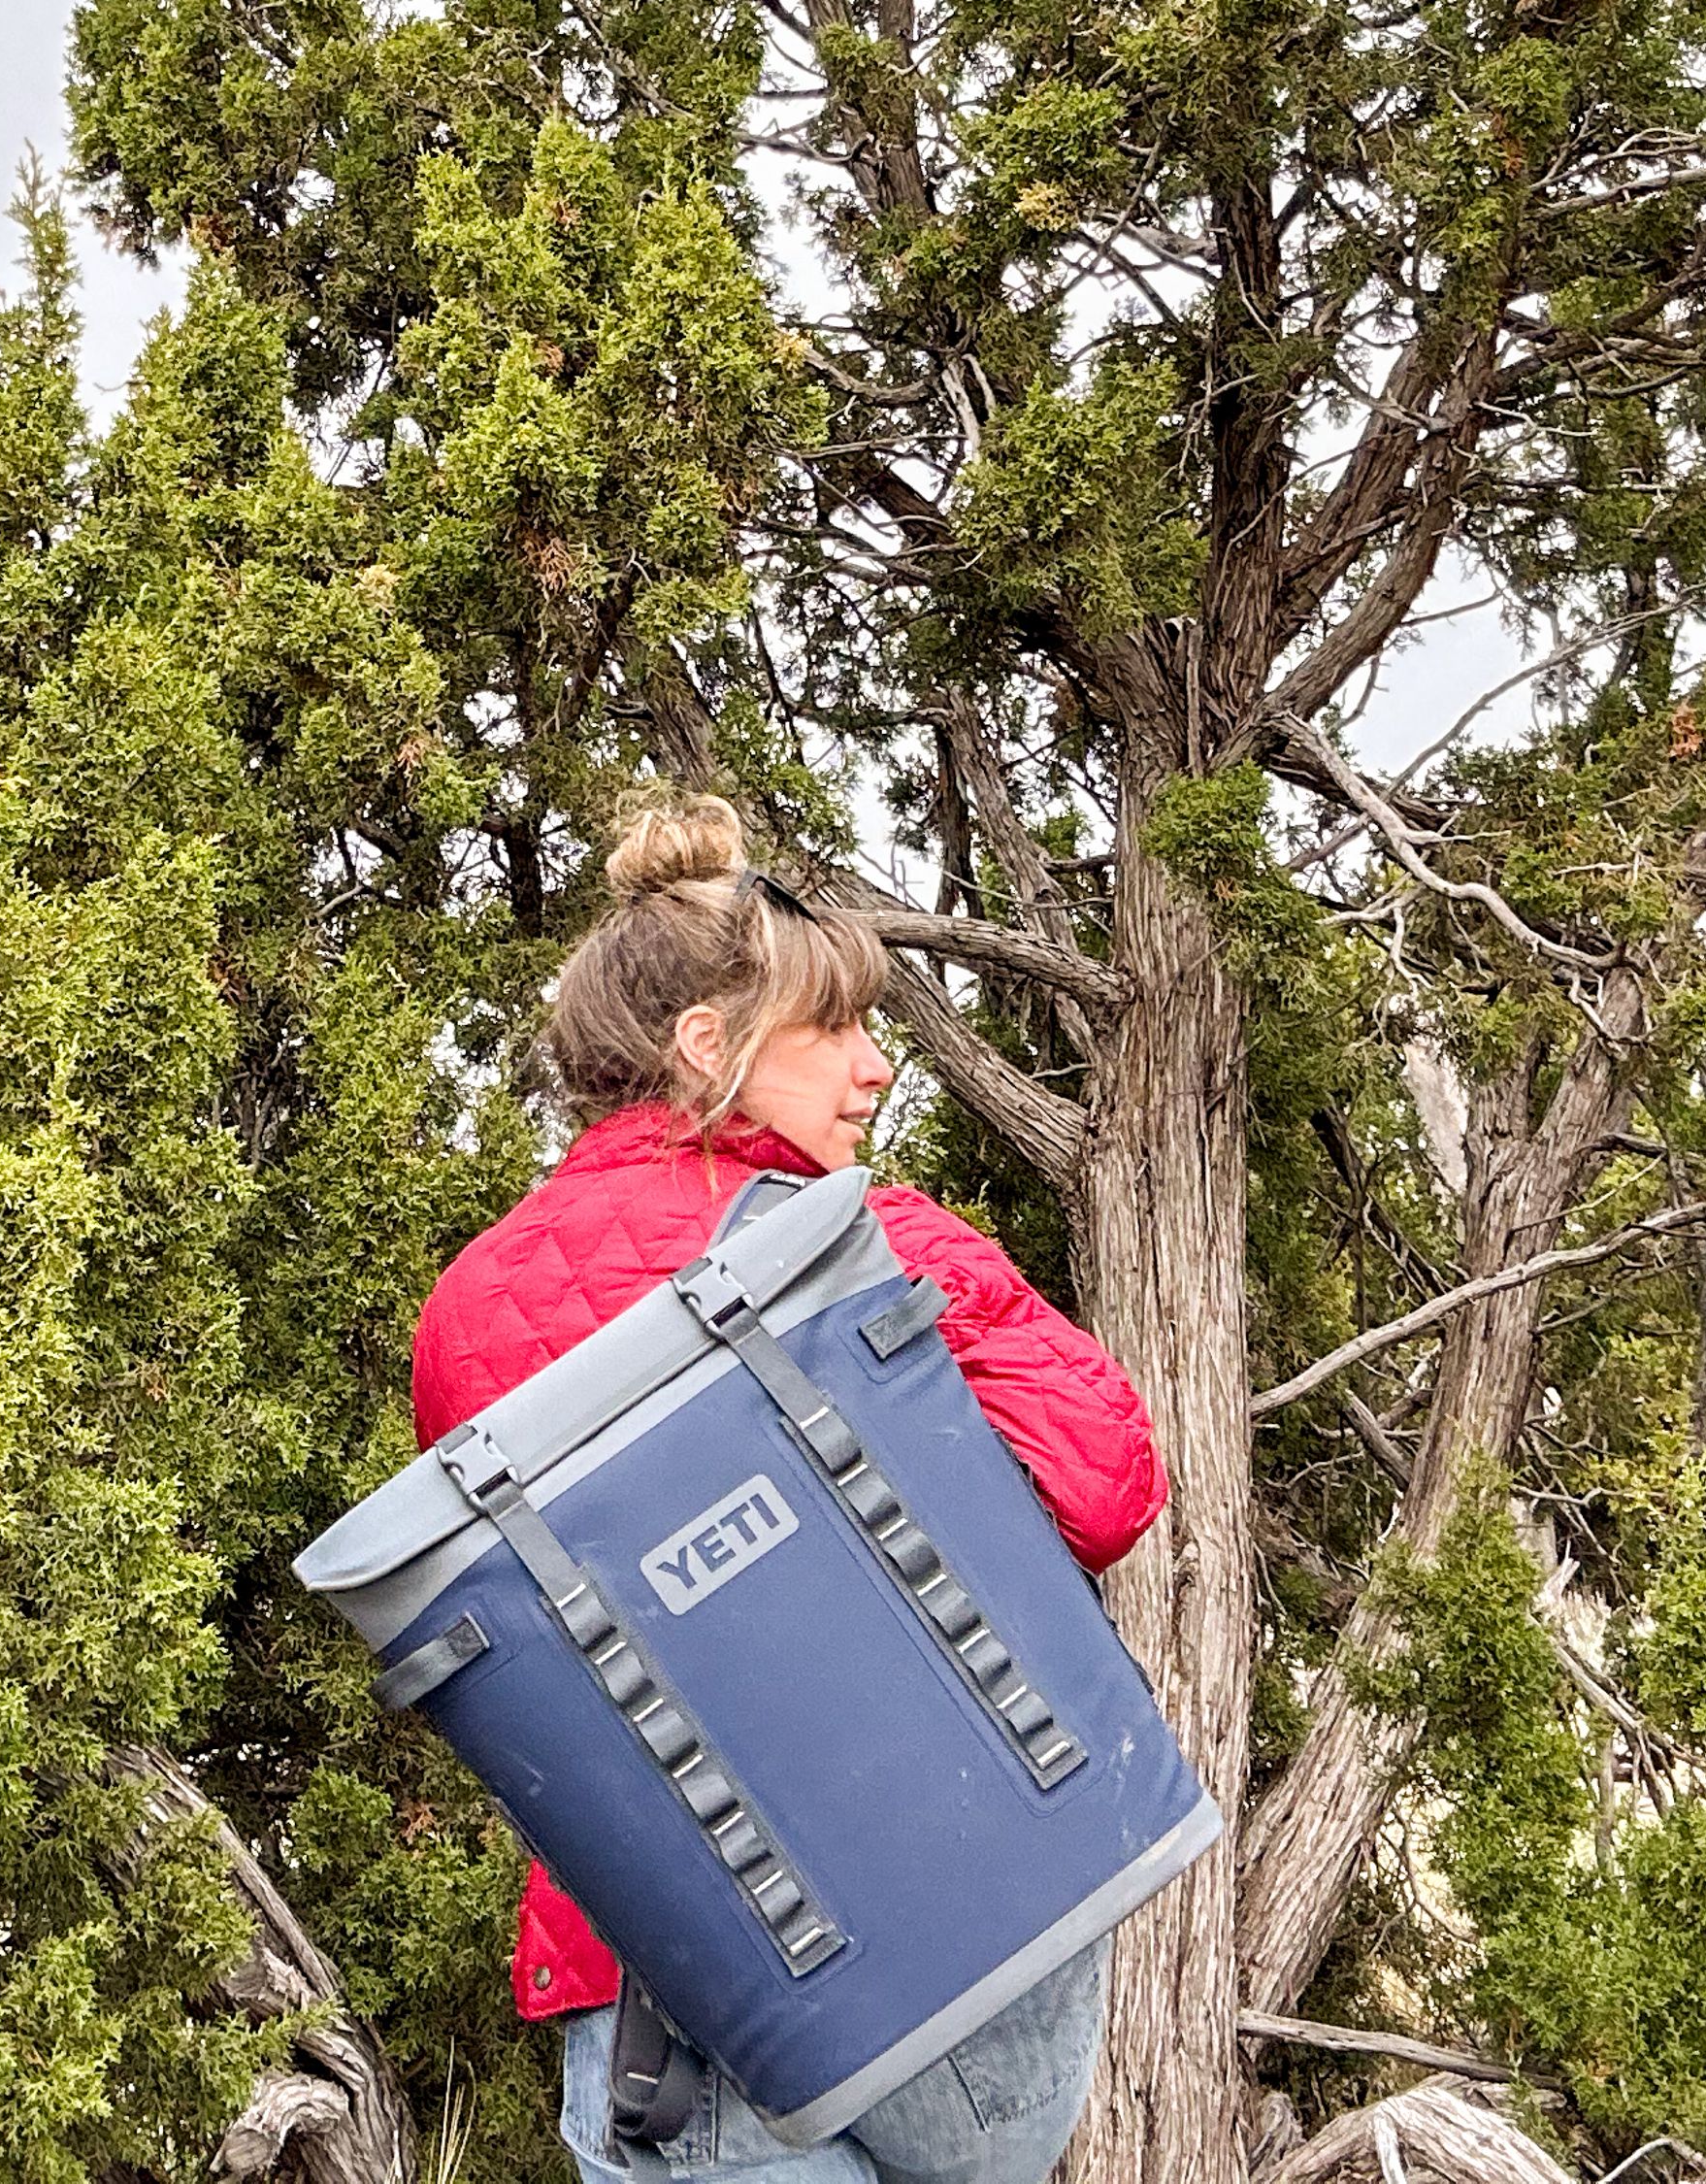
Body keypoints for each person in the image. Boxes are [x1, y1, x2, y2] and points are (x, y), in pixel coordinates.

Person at [409, 791, 1168, 2184]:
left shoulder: (465, 1312)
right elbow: (1105, 1483)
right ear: (713, 1046)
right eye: (841, 1029)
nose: (877, 1068)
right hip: (955, 1927)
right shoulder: (859, 1240)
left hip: (672, 1989)